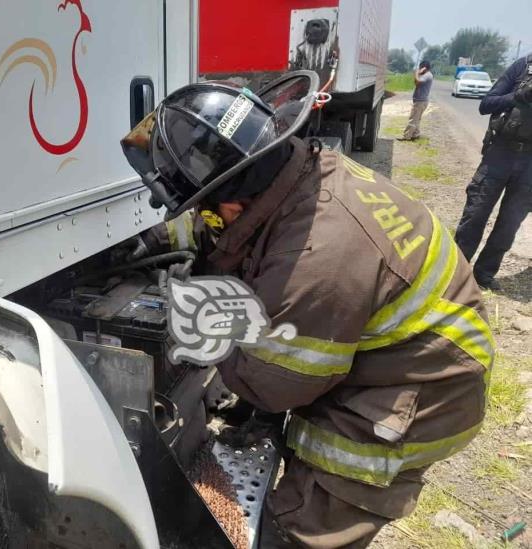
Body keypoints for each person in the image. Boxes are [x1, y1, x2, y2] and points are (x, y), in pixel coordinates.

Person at [121, 75, 493, 548]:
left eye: (209, 210)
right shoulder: (300, 172)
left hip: (419, 391)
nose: (204, 221)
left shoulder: (319, 255)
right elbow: (224, 235)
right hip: (396, 350)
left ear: (234, 204)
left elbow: (273, 383)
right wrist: (154, 245)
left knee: (302, 526)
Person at [454, 55, 532, 291]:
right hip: (500, 154)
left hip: (530, 165)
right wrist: (518, 97)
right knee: (475, 214)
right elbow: (486, 104)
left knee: (509, 224)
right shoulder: (523, 67)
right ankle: (455, 273)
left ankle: (484, 275)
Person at [398, 60, 434, 141]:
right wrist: (419, 74)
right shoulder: (426, 75)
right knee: (417, 119)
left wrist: (417, 73)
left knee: (413, 119)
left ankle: (406, 136)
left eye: (420, 67)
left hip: (420, 101)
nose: (419, 68)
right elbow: (416, 83)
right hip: (421, 101)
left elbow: (417, 80)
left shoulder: (427, 75)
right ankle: (415, 134)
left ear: (424, 67)